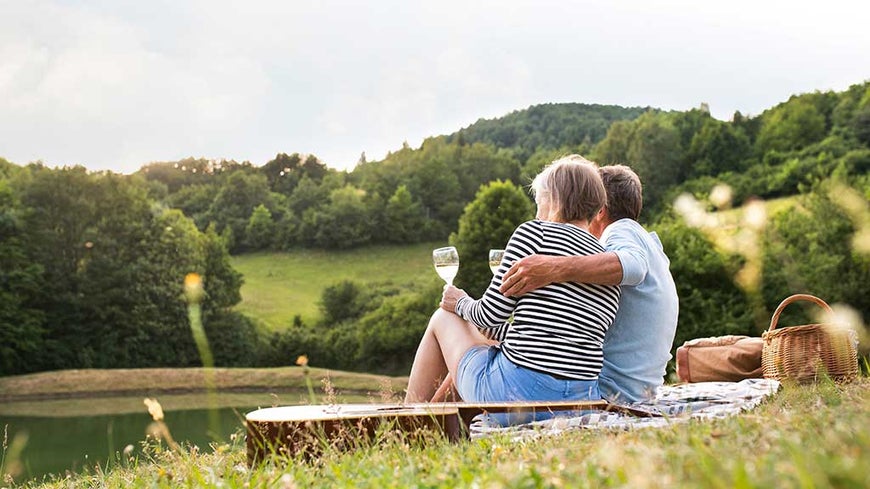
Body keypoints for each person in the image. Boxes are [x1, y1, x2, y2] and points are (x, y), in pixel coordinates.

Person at [404, 156, 620, 404]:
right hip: (580, 399)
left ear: (554, 200)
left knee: (443, 318)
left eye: (539, 201)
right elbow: (560, 336)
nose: (538, 212)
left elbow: (488, 315)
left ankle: (408, 419)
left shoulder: (534, 233)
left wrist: (459, 302)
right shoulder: (605, 262)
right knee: (487, 342)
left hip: (517, 393)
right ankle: (434, 428)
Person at [500, 164, 679, 403]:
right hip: (636, 390)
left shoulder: (620, 231)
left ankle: (439, 421)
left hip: (609, 391)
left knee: (483, 337)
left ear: (601, 210)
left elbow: (633, 266)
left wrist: (554, 268)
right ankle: (438, 419)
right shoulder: (647, 243)